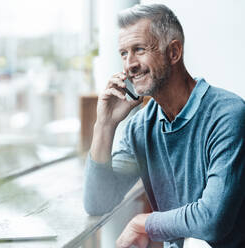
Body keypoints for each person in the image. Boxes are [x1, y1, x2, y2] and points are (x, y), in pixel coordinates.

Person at [83, 3, 245, 248]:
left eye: (138, 49)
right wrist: (104, 125)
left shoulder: (228, 114)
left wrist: (142, 223)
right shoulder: (140, 127)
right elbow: (98, 202)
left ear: (174, 52)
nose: (129, 65)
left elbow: (212, 219)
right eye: (124, 54)